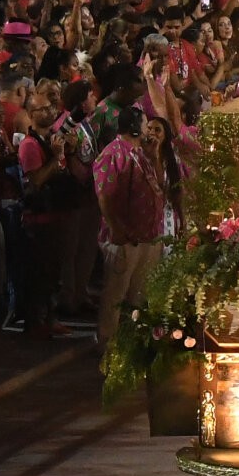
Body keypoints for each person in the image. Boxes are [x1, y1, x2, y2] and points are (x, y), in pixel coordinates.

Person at [92, 103, 167, 355]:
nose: (149, 131)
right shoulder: (112, 154)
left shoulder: (142, 153)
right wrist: (117, 230)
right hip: (124, 238)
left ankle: (133, 345)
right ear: (135, 127)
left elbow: (160, 184)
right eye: (146, 125)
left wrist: (154, 156)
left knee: (140, 294)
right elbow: (105, 197)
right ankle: (108, 346)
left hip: (148, 236)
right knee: (116, 294)